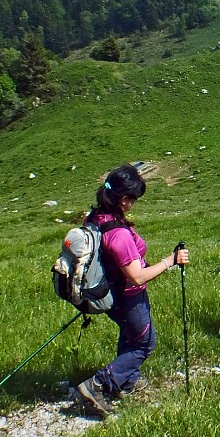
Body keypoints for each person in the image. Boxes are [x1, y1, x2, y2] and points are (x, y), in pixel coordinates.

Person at [75, 163, 189, 412]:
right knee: (144, 343)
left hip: (109, 292)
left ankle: (126, 380)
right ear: (124, 200)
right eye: (134, 199)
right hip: (127, 296)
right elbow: (137, 277)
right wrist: (170, 261)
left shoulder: (96, 218)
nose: (134, 203)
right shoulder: (118, 235)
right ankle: (99, 383)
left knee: (130, 334)